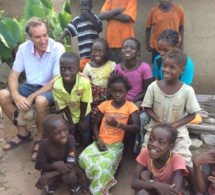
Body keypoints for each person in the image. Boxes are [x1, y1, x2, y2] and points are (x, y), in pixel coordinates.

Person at [0, 17, 65, 161]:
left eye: (45, 35)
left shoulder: (57, 48)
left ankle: (40, 138)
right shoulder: (24, 48)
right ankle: (23, 133)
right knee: (2, 95)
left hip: (51, 87)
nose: (43, 40)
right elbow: (13, 75)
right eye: (37, 37)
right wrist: (16, 95)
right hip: (30, 85)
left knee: (41, 101)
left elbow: (55, 80)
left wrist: (31, 97)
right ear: (30, 38)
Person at [141, 49, 201, 194]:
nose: (166, 70)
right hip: (155, 130)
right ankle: (148, 187)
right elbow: (147, 108)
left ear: (182, 70)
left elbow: (192, 114)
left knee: (184, 162)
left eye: (172, 67)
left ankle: (193, 190)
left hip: (177, 132)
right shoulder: (154, 87)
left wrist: (175, 125)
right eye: (165, 66)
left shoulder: (187, 91)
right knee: (144, 158)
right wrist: (157, 119)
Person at [79, 74, 140, 195]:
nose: (117, 94)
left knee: (104, 165)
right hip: (100, 141)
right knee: (82, 157)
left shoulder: (130, 106)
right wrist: (98, 140)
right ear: (110, 91)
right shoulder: (105, 105)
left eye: (121, 92)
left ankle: (99, 190)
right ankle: (91, 180)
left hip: (115, 145)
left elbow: (136, 127)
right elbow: (95, 125)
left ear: (126, 91)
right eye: (114, 91)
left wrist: (118, 125)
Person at [114, 37, 152, 155]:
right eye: (125, 47)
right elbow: (114, 87)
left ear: (138, 52)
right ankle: (116, 143)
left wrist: (132, 101)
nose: (127, 50)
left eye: (132, 48)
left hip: (138, 99)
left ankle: (131, 146)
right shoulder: (118, 68)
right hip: (120, 98)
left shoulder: (144, 68)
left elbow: (147, 90)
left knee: (132, 116)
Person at [35, 114, 88, 195]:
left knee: (69, 177)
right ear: (48, 134)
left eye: (65, 129)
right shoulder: (44, 145)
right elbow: (39, 165)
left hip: (69, 168)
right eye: (57, 132)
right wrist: (54, 165)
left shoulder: (70, 139)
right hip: (52, 168)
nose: (63, 135)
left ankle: (74, 186)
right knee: (45, 175)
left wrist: (48, 176)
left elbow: (70, 165)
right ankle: (53, 184)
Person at [131, 123, 188, 195]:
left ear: (171, 146)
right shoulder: (146, 152)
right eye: (151, 139)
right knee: (142, 193)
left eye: (161, 142)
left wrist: (147, 181)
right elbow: (134, 182)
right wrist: (155, 185)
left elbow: (174, 192)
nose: (154, 144)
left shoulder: (177, 160)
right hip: (153, 190)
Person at [52, 52, 92, 147]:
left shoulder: (84, 82)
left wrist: (82, 120)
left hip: (84, 111)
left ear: (78, 69)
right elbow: (63, 105)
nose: (66, 72)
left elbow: (84, 102)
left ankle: (86, 148)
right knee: (69, 131)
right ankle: (72, 148)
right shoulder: (56, 85)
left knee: (85, 130)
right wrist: (70, 122)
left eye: (71, 69)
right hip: (69, 112)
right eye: (62, 69)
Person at [58, 0, 102, 72]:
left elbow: (99, 29)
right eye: (82, 5)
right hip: (84, 54)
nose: (84, 8)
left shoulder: (95, 17)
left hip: (95, 54)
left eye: (86, 5)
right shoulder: (77, 20)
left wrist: (91, 18)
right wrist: (61, 38)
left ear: (91, 7)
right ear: (79, 7)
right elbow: (68, 29)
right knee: (85, 72)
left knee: (96, 71)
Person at [83, 38, 116, 123]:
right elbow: (84, 84)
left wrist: (105, 97)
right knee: (93, 112)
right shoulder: (88, 66)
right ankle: (94, 132)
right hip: (93, 94)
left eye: (100, 51)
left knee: (108, 111)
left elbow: (115, 84)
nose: (97, 54)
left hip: (108, 94)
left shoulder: (111, 65)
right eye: (94, 51)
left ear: (106, 52)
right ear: (91, 52)